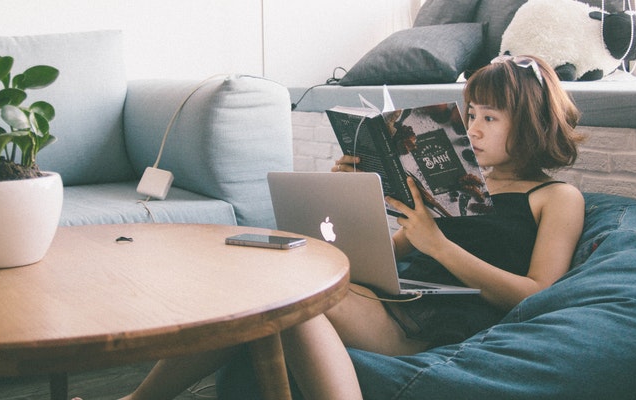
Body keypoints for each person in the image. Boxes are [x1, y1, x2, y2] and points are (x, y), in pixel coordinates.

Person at [117, 54, 585, 400]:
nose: (474, 128)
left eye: (490, 118)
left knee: (297, 303)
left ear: (529, 123)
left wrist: (440, 247)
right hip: (395, 297)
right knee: (262, 288)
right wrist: (353, 199)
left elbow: (536, 295)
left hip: (436, 325)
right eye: (471, 115)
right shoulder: (452, 181)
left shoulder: (556, 198)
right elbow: (386, 256)